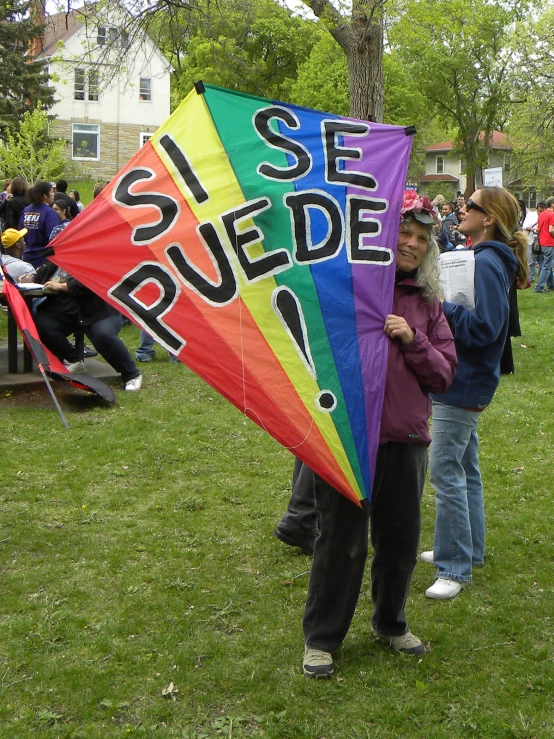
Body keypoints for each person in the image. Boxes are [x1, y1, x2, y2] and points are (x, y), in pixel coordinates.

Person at [291, 193, 457, 678]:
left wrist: (413, 338)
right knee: (340, 541)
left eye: (423, 239)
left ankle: (390, 623)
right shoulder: (349, 289)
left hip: (406, 439)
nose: (411, 243)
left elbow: (445, 375)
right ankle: (321, 640)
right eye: (405, 232)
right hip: (349, 436)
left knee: (401, 542)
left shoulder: (428, 305)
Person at [422, 187, 527, 600]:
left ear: (489, 219)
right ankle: (468, 550)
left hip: (462, 381)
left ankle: (455, 568)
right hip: (468, 379)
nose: (461, 209)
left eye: (471, 205)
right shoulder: (487, 258)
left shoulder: (485, 263)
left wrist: (442, 304)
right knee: (465, 468)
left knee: (445, 471)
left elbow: (485, 329)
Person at [29, 260, 143, 391]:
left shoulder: (92, 255)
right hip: (67, 311)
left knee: (103, 335)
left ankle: (131, 374)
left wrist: (63, 286)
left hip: (99, 311)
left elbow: (94, 281)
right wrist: (31, 277)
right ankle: (73, 360)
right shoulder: (55, 259)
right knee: (41, 324)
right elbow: (40, 277)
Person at [18, 181, 60, 268]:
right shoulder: (50, 213)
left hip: (26, 255)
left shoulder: (26, 210)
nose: (53, 194)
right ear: (45, 195)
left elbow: (20, 231)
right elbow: (53, 238)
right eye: (52, 192)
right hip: (42, 259)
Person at [534, 196, 554, 294]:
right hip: (550, 242)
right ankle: (539, 287)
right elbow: (551, 230)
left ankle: (551, 285)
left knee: (547, 264)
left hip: (542, 242)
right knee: (547, 266)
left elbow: (538, 229)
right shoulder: (552, 214)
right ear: (552, 204)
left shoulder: (542, 214)